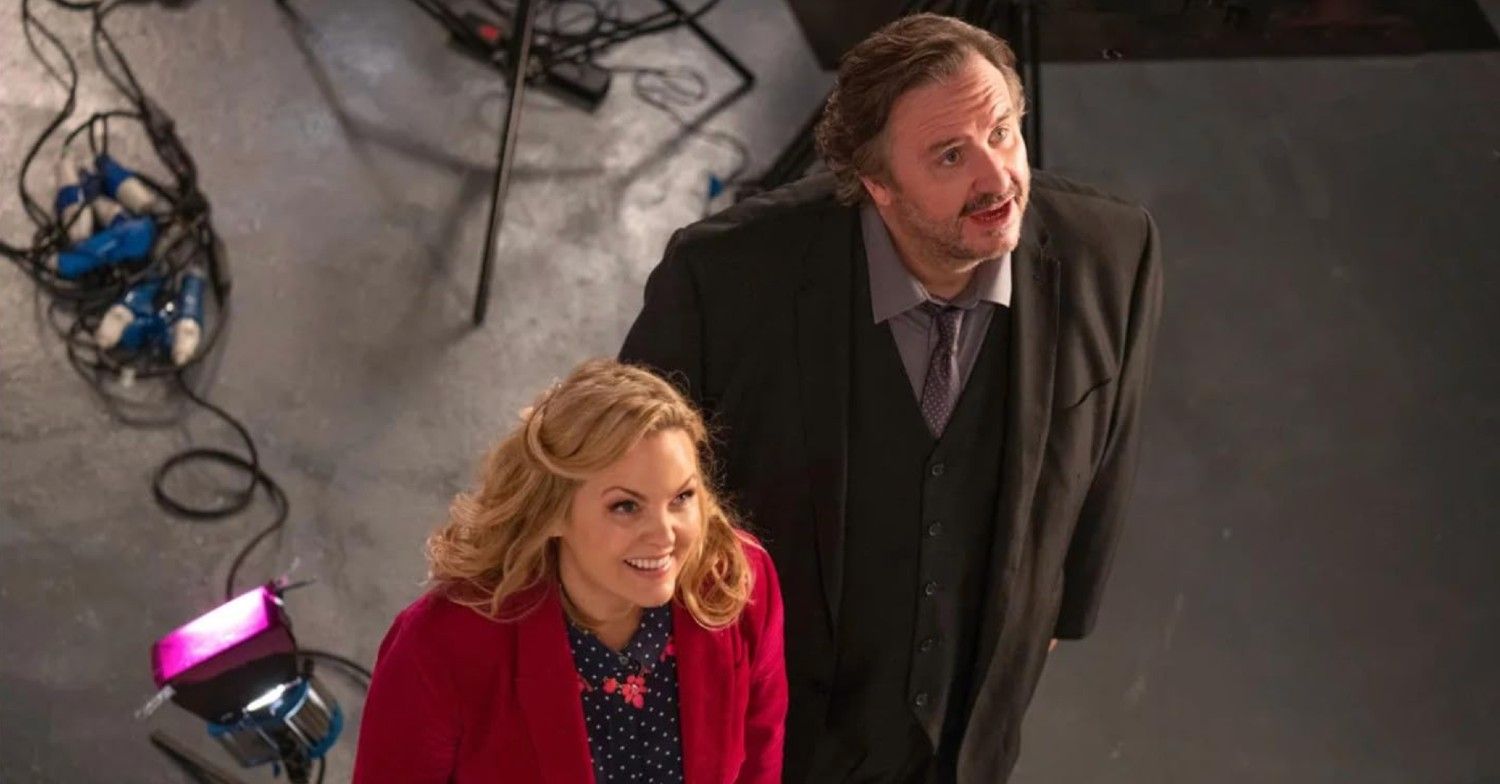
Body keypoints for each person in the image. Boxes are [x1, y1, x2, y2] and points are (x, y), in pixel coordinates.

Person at [620, 12, 1164, 783]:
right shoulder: (722, 280)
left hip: (966, 740)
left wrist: (1057, 614)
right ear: (878, 186)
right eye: (950, 156)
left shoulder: (1114, 251)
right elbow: (625, 485)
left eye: (1002, 133)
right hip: (775, 722)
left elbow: (1109, 450)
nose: (998, 179)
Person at [352, 359, 787, 783]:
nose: (664, 536)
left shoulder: (738, 581)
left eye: (681, 498)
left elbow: (760, 761)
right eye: (626, 506)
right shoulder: (441, 645)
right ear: (553, 512)